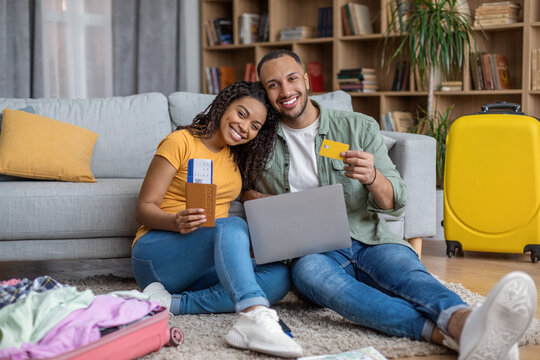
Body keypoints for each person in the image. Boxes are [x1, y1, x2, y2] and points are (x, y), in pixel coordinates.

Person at [243, 49, 537, 360]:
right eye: (273, 84)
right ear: (264, 92)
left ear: (306, 80)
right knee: (343, 295)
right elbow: (245, 193)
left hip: (370, 238)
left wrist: (372, 177)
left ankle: (462, 321)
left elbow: (396, 202)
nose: (286, 91)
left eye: (291, 79)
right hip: (309, 252)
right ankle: (456, 334)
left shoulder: (358, 127)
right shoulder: (257, 138)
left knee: (410, 277)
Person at [131, 81, 303, 358]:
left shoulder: (235, 159)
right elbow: (143, 208)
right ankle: (252, 314)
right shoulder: (181, 142)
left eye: (255, 126)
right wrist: (175, 221)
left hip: (201, 265)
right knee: (233, 225)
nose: (245, 127)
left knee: (280, 274)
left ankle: (172, 304)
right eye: (242, 114)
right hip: (157, 256)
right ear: (223, 106)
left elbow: (224, 227)